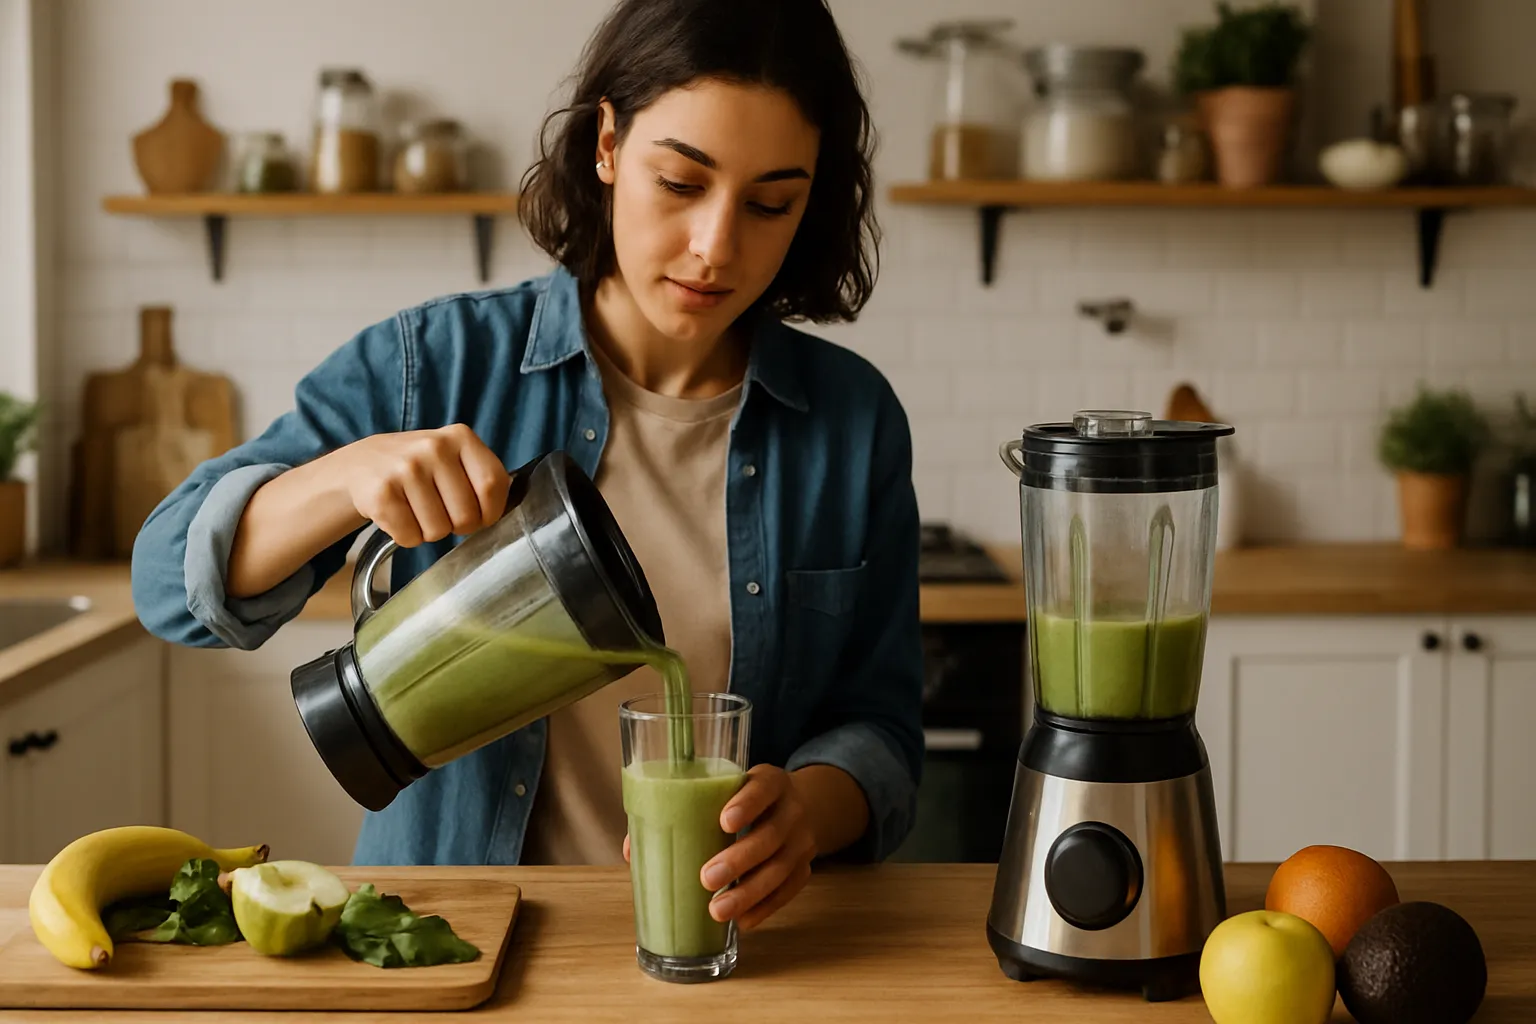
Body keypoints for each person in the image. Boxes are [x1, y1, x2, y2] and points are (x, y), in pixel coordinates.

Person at [131, 0, 922, 934]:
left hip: (730, 959)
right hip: (455, 948)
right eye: (679, 182)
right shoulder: (439, 366)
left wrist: (811, 810)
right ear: (608, 148)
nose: (717, 247)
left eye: (769, 203)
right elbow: (165, 581)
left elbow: (883, 729)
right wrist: (344, 477)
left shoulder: (851, 420)